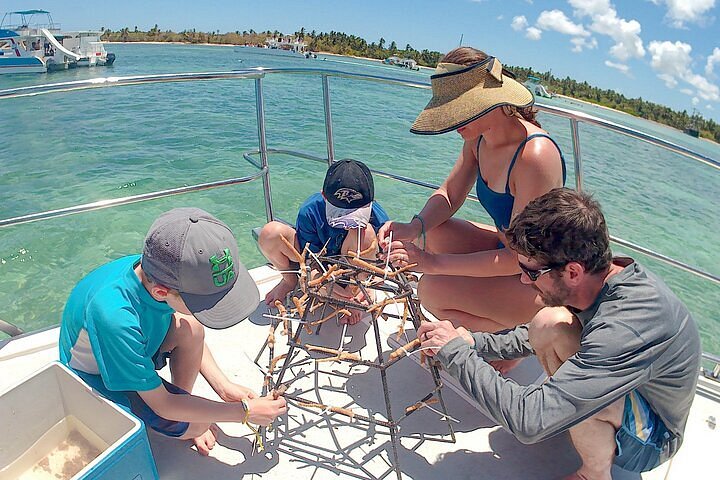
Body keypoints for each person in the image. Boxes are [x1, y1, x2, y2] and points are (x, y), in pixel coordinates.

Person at [417, 188, 701, 480]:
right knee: (548, 323)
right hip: (630, 389)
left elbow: (529, 422)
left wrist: (455, 353)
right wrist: (474, 343)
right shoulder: (600, 280)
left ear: (573, 272)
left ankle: (593, 474)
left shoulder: (624, 327)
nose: (525, 281)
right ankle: (570, 412)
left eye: (531, 272)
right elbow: (532, 335)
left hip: (652, 440)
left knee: (583, 393)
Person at [378, 48, 567, 366]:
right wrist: (414, 228)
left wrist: (432, 263)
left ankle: (513, 347)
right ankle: (496, 323)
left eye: (460, 110)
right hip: (509, 254)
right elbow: (451, 193)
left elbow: (522, 259)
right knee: (433, 231)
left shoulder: (534, 156)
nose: (453, 122)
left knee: (431, 290)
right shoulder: (478, 137)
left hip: (540, 280)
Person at [59, 208, 288, 456]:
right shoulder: (115, 317)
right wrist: (243, 412)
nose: (211, 308)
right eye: (204, 304)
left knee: (192, 328)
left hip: (137, 344)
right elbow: (163, 405)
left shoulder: (157, 269)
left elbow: (186, 325)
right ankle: (186, 416)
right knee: (197, 424)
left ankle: (185, 403)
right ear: (161, 292)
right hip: (99, 377)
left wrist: (223, 387)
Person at [259, 159, 389, 324]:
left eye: (353, 215)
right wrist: (320, 280)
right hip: (319, 261)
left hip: (354, 270)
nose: (346, 222)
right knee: (270, 233)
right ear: (323, 197)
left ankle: (355, 291)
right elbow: (308, 259)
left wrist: (370, 283)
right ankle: (289, 281)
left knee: (366, 232)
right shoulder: (310, 211)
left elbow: (381, 264)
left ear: (371, 203)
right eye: (340, 215)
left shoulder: (379, 218)